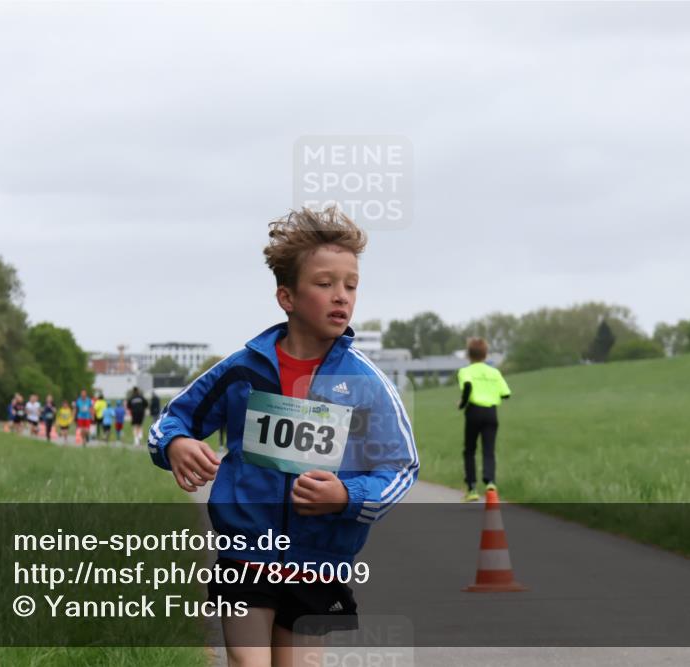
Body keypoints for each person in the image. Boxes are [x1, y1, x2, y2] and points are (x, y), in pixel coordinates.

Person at [147, 207, 418, 664]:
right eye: (324, 283)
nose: (341, 296)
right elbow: (171, 421)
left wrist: (346, 495)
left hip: (318, 560)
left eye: (351, 285)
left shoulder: (367, 383)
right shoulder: (242, 370)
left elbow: (401, 468)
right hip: (247, 551)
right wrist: (176, 444)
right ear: (286, 297)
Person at [457, 337, 512, 502]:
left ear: (468, 355)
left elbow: (467, 387)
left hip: (474, 412)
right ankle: (490, 482)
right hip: (491, 413)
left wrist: (462, 404)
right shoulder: (494, 372)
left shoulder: (465, 371)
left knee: (470, 450)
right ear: (486, 354)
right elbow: (506, 393)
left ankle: (472, 488)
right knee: (488, 449)